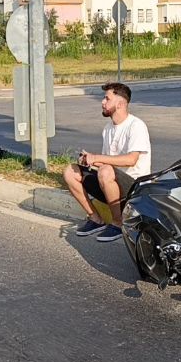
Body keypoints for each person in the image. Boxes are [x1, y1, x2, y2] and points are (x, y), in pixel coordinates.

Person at [63, 82, 151, 242]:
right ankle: (96, 219)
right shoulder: (108, 128)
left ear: (120, 103)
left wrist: (98, 158)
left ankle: (118, 224)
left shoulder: (136, 126)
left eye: (106, 98)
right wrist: (89, 160)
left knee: (105, 171)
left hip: (134, 188)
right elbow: (107, 163)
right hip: (111, 183)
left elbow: (131, 160)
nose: (102, 102)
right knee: (70, 171)